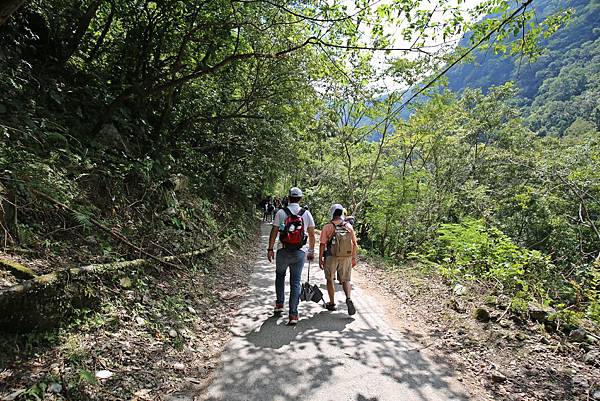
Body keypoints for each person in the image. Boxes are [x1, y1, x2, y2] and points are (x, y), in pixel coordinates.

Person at [267, 187, 316, 325]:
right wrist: (311, 251)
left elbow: (274, 231)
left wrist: (270, 249)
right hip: (299, 252)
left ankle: (279, 304)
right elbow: (312, 234)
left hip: (283, 250)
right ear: (300, 199)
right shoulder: (306, 214)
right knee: (295, 282)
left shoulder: (281, 212)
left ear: (288, 198)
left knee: (280, 276)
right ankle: (293, 314)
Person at [319, 204, 358, 315]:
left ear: (332, 213)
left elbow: (322, 244)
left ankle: (331, 303)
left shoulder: (327, 227)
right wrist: (353, 258)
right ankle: (348, 298)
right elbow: (354, 244)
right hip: (346, 257)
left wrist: (320, 258)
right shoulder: (349, 227)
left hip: (331, 256)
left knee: (330, 279)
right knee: (346, 279)